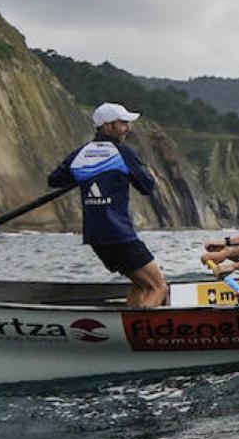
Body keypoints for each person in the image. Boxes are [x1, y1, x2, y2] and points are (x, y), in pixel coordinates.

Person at [49, 102, 168, 308]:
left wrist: (86, 174)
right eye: (122, 124)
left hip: (96, 238)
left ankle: (129, 322)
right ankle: (141, 333)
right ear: (107, 126)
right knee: (158, 287)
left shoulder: (81, 154)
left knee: (140, 284)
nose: (127, 129)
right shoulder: (123, 153)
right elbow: (147, 186)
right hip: (120, 235)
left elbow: (55, 180)